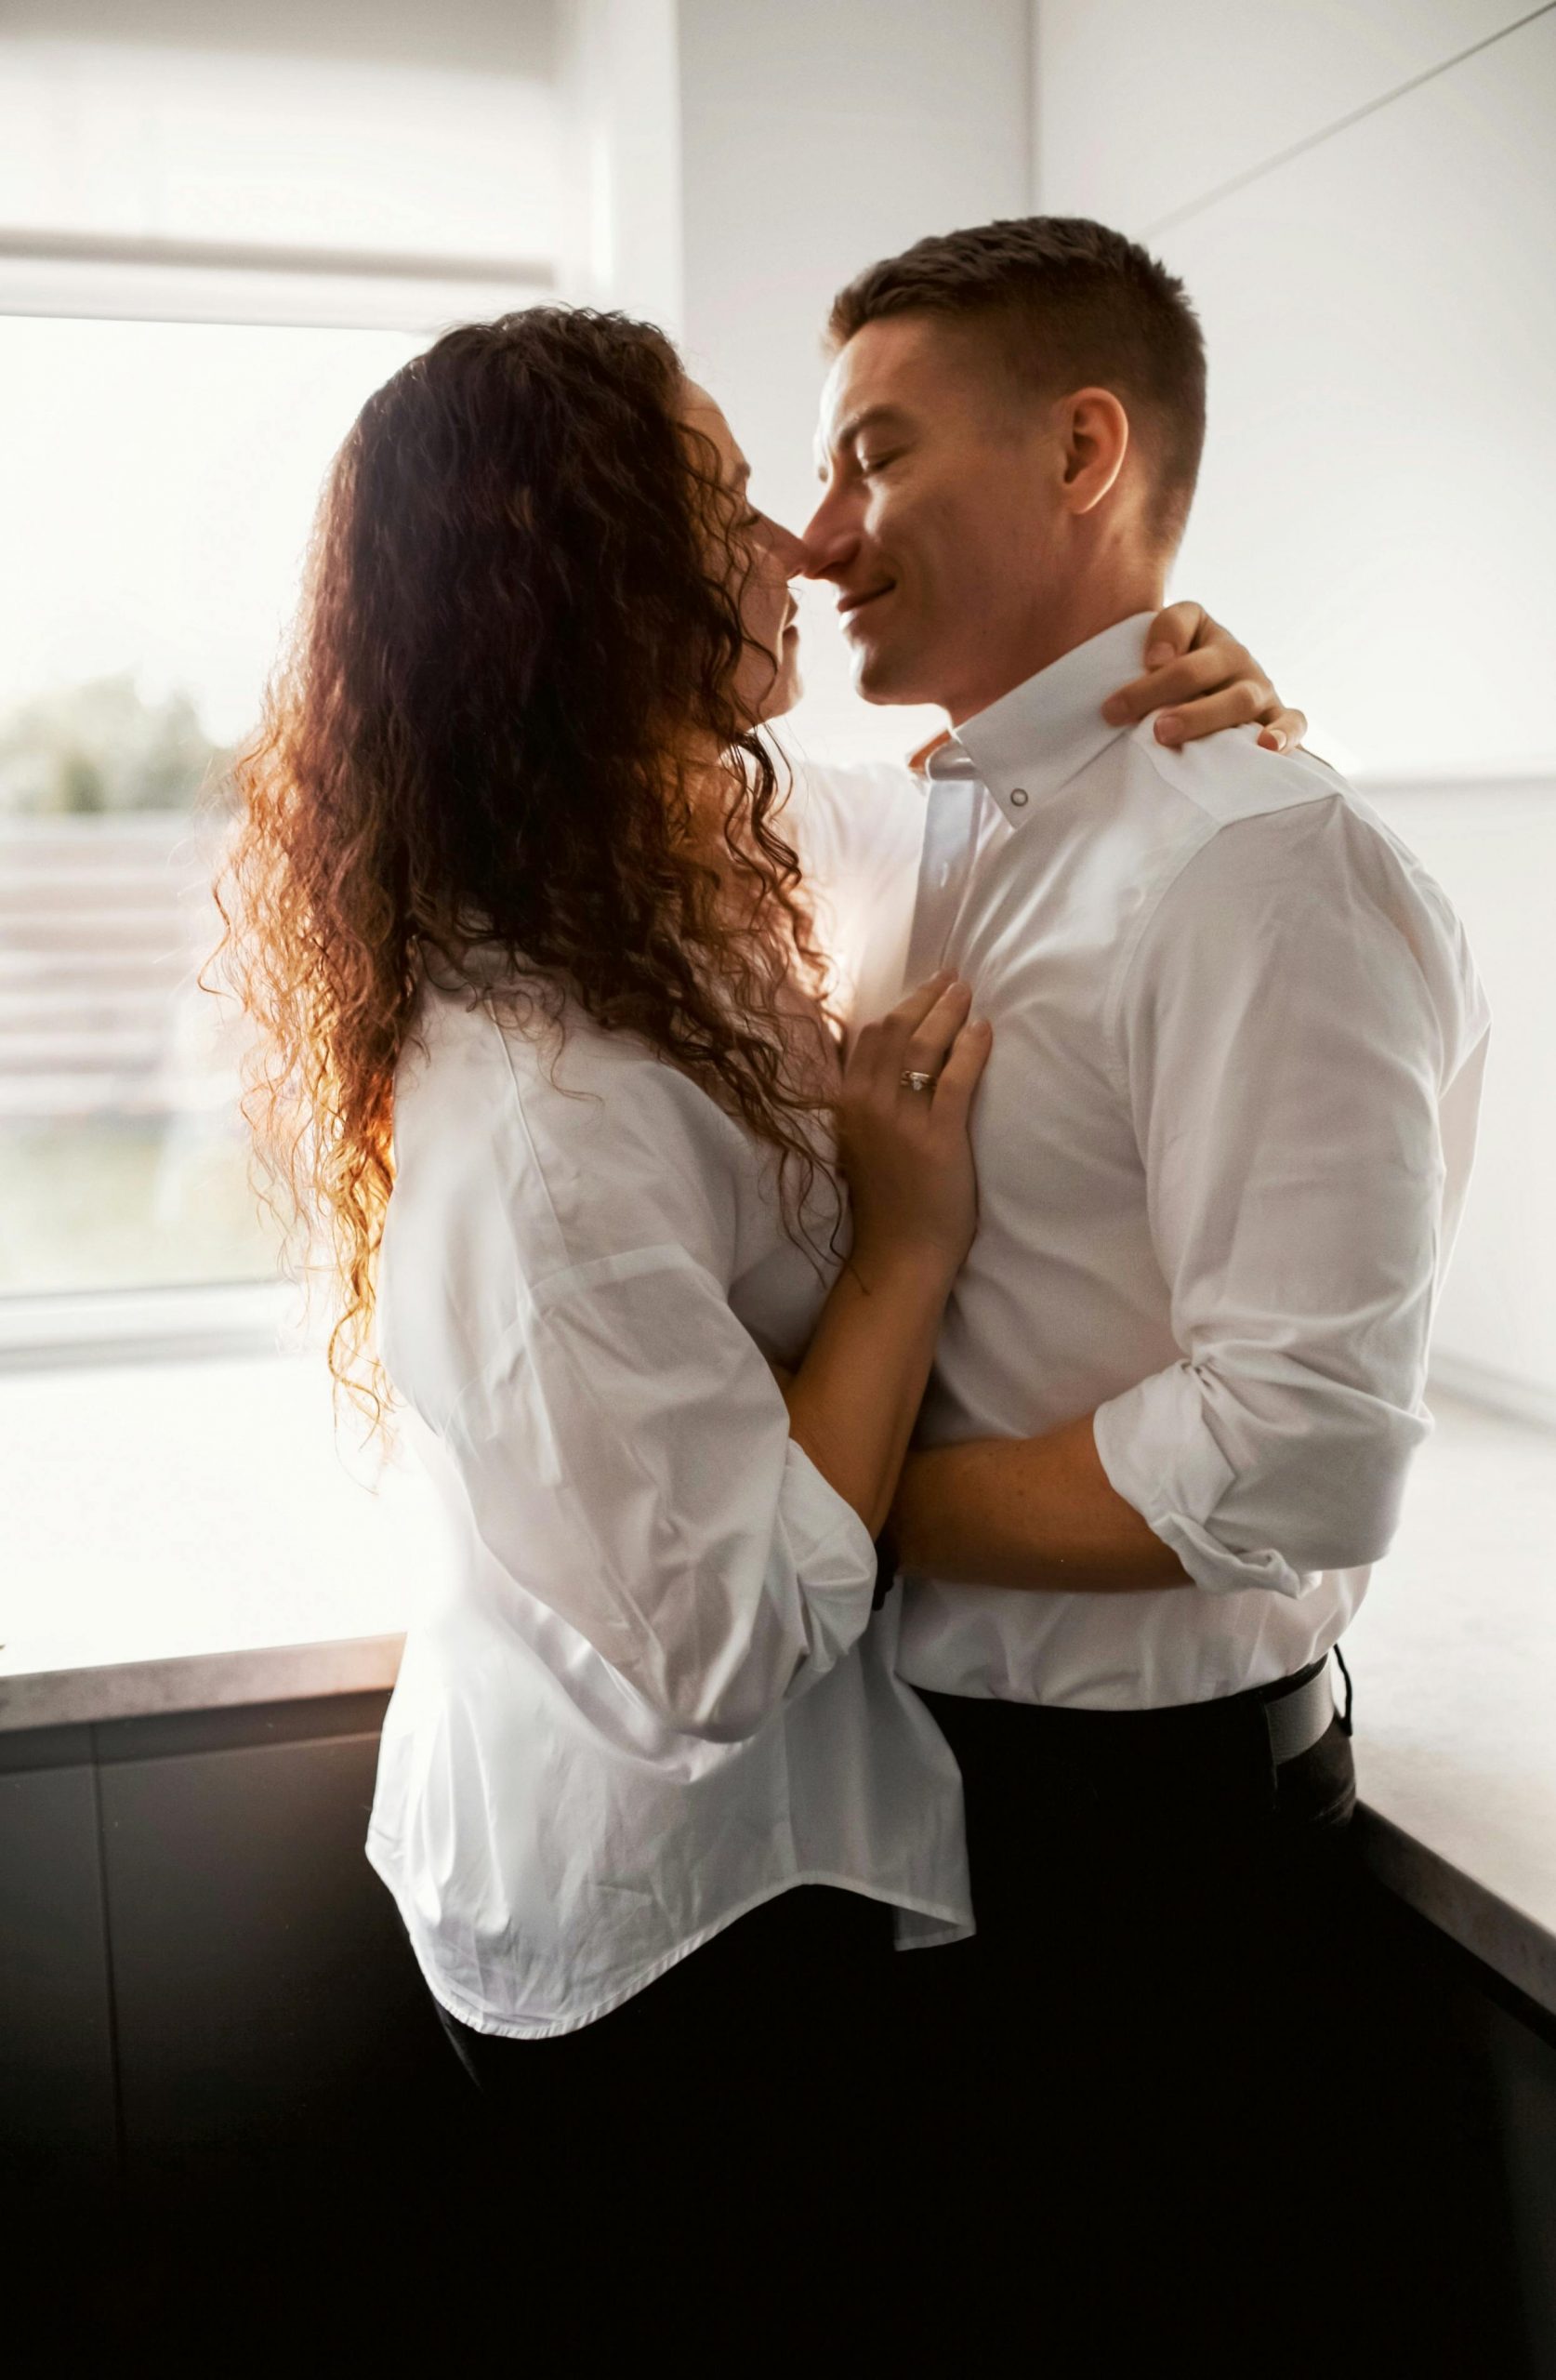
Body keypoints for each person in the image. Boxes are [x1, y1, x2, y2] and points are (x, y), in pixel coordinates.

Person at [215, 302, 1306, 2317]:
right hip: (655, 1944)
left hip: (752, 1875)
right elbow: (728, 1640)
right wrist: (904, 1245)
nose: (800, 548)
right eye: (725, 506)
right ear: (585, 589)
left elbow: (993, 797)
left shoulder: (666, 835)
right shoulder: (542, 1119)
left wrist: (1183, 675)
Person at [803, 216, 1492, 2363]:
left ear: (1084, 446)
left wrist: (825, 1496)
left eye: (877, 457)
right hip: (922, 1810)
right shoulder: (917, 824)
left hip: (1148, 1880)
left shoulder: (1260, 857)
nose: (823, 540)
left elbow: (1292, 1451)